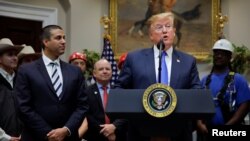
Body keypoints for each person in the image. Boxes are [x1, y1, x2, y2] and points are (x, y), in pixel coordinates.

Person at [115, 12, 201, 141]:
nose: (164, 31)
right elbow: (119, 89)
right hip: (141, 130)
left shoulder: (188, 61)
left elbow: (196, 91)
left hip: (178, 131)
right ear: (150, 35)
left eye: (168, 26)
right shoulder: (134, 58)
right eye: (159, 27)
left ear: (174, 31)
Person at [14, 25, 88, 141]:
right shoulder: (26, 70)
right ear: (46, 42)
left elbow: (82, 105)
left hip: (67, 137)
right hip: (37, 136)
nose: (63, 41)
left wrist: (66, 129)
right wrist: (48, 133)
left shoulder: (74, 71)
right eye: (58, 38)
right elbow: (23, 107)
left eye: (64, 38)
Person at [196, 39, 250, 141]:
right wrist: (199, 123)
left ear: (230, 57)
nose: (219, 56)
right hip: (206, 131)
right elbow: (199, 104)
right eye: (216, 53)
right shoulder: (204, 80)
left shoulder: (238, 80)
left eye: (223, 54)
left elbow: (245, 106)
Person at [85, 59, 127, 141]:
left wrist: (114, 127)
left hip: (117, 136)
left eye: (107, 69)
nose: (105, 71)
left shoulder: (119, 91)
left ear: (111, 72)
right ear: (94, 73)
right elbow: (86, 115)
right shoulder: (86, 91)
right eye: (101, 69)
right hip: (94, 136)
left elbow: (125, 113)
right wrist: (106, 131)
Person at [0, 38, 23, 141]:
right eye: (10, 54)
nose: (15, 58)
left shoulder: (22, 80)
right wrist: (6, 138)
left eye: (15, 55)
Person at [68, 52, 88, 140]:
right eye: (76, 63)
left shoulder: (90, 85)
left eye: (82, 63)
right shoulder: (64, 82)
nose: (79, 66)